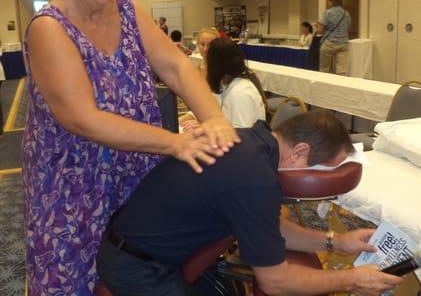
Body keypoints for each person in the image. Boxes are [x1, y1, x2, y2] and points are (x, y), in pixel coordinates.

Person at [21, 0, 239, 296]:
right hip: (74, 182)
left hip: (135, 169)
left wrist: (214, 117)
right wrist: (174, 142)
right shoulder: (49, 28)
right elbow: (82, 119)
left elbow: (175, 66)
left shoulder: (128, 9)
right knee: (75, 275)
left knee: (135, 268)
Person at [97, 111, 402, 296]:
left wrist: (335, 241)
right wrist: (352, 280)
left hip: (148, 250)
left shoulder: (251, 143)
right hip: (136, 268)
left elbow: (270, 225)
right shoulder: (255, 178)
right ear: (299, 151)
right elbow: (275, 281)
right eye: (322, 169)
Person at [182, 38, 267, 129]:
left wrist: (208, 128)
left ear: (216, 65)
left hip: (246, 141)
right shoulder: (224, 84)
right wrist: (189, 118)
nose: (205, 66)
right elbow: (209, 108)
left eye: (208, 62)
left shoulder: (240, 93)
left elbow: (243, 138)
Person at [318, 0, 351, 75]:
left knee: (324, 68)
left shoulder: (328, 12)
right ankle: (340, 86)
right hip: (343, 44)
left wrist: (317, 27)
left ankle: (323, 86)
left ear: (331, 1)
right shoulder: (346, 13)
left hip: (330, 43)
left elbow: (320, 31)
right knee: (342, 70)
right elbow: (348, 27)